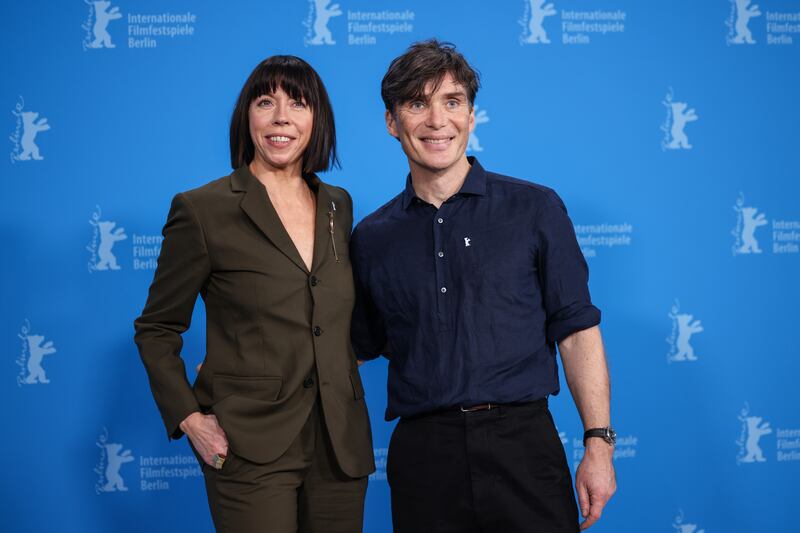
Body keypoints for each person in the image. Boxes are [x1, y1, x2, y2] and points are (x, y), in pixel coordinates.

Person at [350, 40, 616, 533]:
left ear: (472, 116)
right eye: (416, 103)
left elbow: (576, 331)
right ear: (392, 122)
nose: (436, 121)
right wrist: (247, 366)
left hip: (523, 447)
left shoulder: (535, 209)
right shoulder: (371, 237)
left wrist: (597, 442)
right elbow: (354, 349)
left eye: (451, 102)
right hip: (423, 459)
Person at [134, 55, 374, 533]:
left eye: (298, 104)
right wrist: (190, 418)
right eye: (266, 102)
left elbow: (334, 314)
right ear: (247, 118)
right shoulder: (202, 210)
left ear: (316, 119)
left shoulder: (338, 206)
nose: (281, 116)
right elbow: (157, 329)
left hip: (339, 445)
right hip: (250, 445)